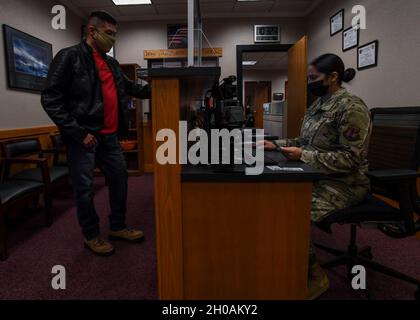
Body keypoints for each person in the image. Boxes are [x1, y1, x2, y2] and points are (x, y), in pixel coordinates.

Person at [41, 11, 151, 256]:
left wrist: (163, 87)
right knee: (85, 188)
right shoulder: (69, 57)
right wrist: (78, 132)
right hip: (84, 138)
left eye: (115, 35)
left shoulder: (111, 63)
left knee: (120, 180)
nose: (112, 39)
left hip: (110, 137)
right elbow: (50, 98)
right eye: (109, 34)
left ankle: (117, 227)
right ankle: (91, 235)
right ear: (92, 31)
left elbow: (130, 88)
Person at [263, 53, 372, 299]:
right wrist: (276, 145)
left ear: (333, 77)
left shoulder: (351, 107)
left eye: (314, 77)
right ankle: (286, 264)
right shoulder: (318, 105)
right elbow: (304, 141)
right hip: (316, 174)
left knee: (292, 212)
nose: (310, 82)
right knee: (275, 199)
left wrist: (304, 155)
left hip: (345, 183)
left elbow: (351, 159)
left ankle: (314, 277)